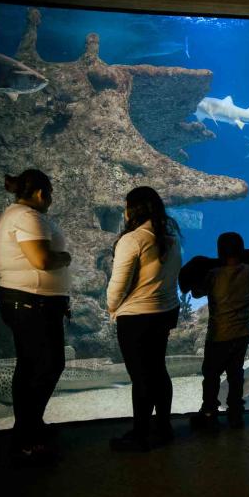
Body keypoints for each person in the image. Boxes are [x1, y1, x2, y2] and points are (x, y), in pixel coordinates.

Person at [0, 169, 71, 464]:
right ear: (41, 193)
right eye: (49, 193)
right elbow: (43, 260)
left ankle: (29, 427)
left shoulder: (16, 214)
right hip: (31, 304)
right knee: (47, 366)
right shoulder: (28, 217)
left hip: (28, 303)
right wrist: (66, 258)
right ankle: (26, 438)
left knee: (30, 367)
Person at [106, 186, 182, 452]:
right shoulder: (171, 239)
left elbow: (119, 284)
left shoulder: (133, 240)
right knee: (158, 371)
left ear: (133, 209)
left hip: (136, 318)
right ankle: (163, 427)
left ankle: (140, 435)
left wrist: (112, 307)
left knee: (140, 377)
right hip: (163, 313)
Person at [189, 232, 249, 430]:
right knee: (236, 374)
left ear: (219, 252)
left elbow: (196, 293)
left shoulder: (213, 275)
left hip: (218, 335)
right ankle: (236, 413)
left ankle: (209, 413)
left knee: (211, 375)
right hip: (242, 334)